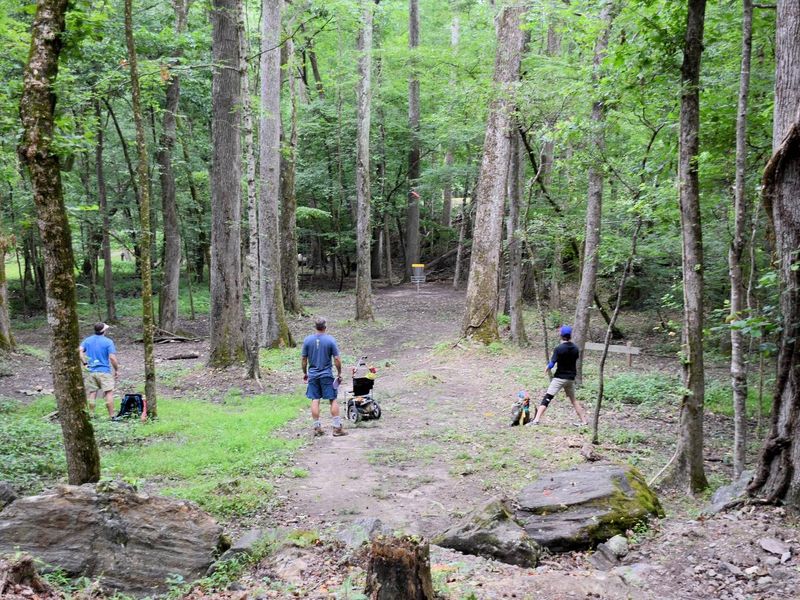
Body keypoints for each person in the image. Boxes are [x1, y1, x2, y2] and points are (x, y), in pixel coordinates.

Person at [529, 325, 589, 426]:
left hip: (559, 378)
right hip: (570, 379)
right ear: (570, 335)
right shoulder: (575, 349)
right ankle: (584, 421)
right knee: (573, 400)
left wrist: (547, 368)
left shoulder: (559, 348)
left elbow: (552, 363)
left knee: (547, 398)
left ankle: (536, 420)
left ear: (561, 335)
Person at [301, 318, 346, 437]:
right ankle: (337, 428)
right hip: (327, 374)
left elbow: (304, 359)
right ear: (325, 327)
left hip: (313, 375)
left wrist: (305, 373)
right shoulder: (330, 340)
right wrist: (339, 373)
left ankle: (317, 427)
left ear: (315, 327)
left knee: (315, 399)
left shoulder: (307, 340)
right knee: (332, 399)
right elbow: (336, 359)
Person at [79, 322, 120, 418]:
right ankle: (112, 416)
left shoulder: (87, 340)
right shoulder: (108, 342)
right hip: (104, 371)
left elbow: (79, 351)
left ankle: (91, 415)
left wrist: (85, 363)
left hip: (91, 371)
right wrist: (116, 370)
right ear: (104, 331)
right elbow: (112, 358)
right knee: (108, 393)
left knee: (92, 393)